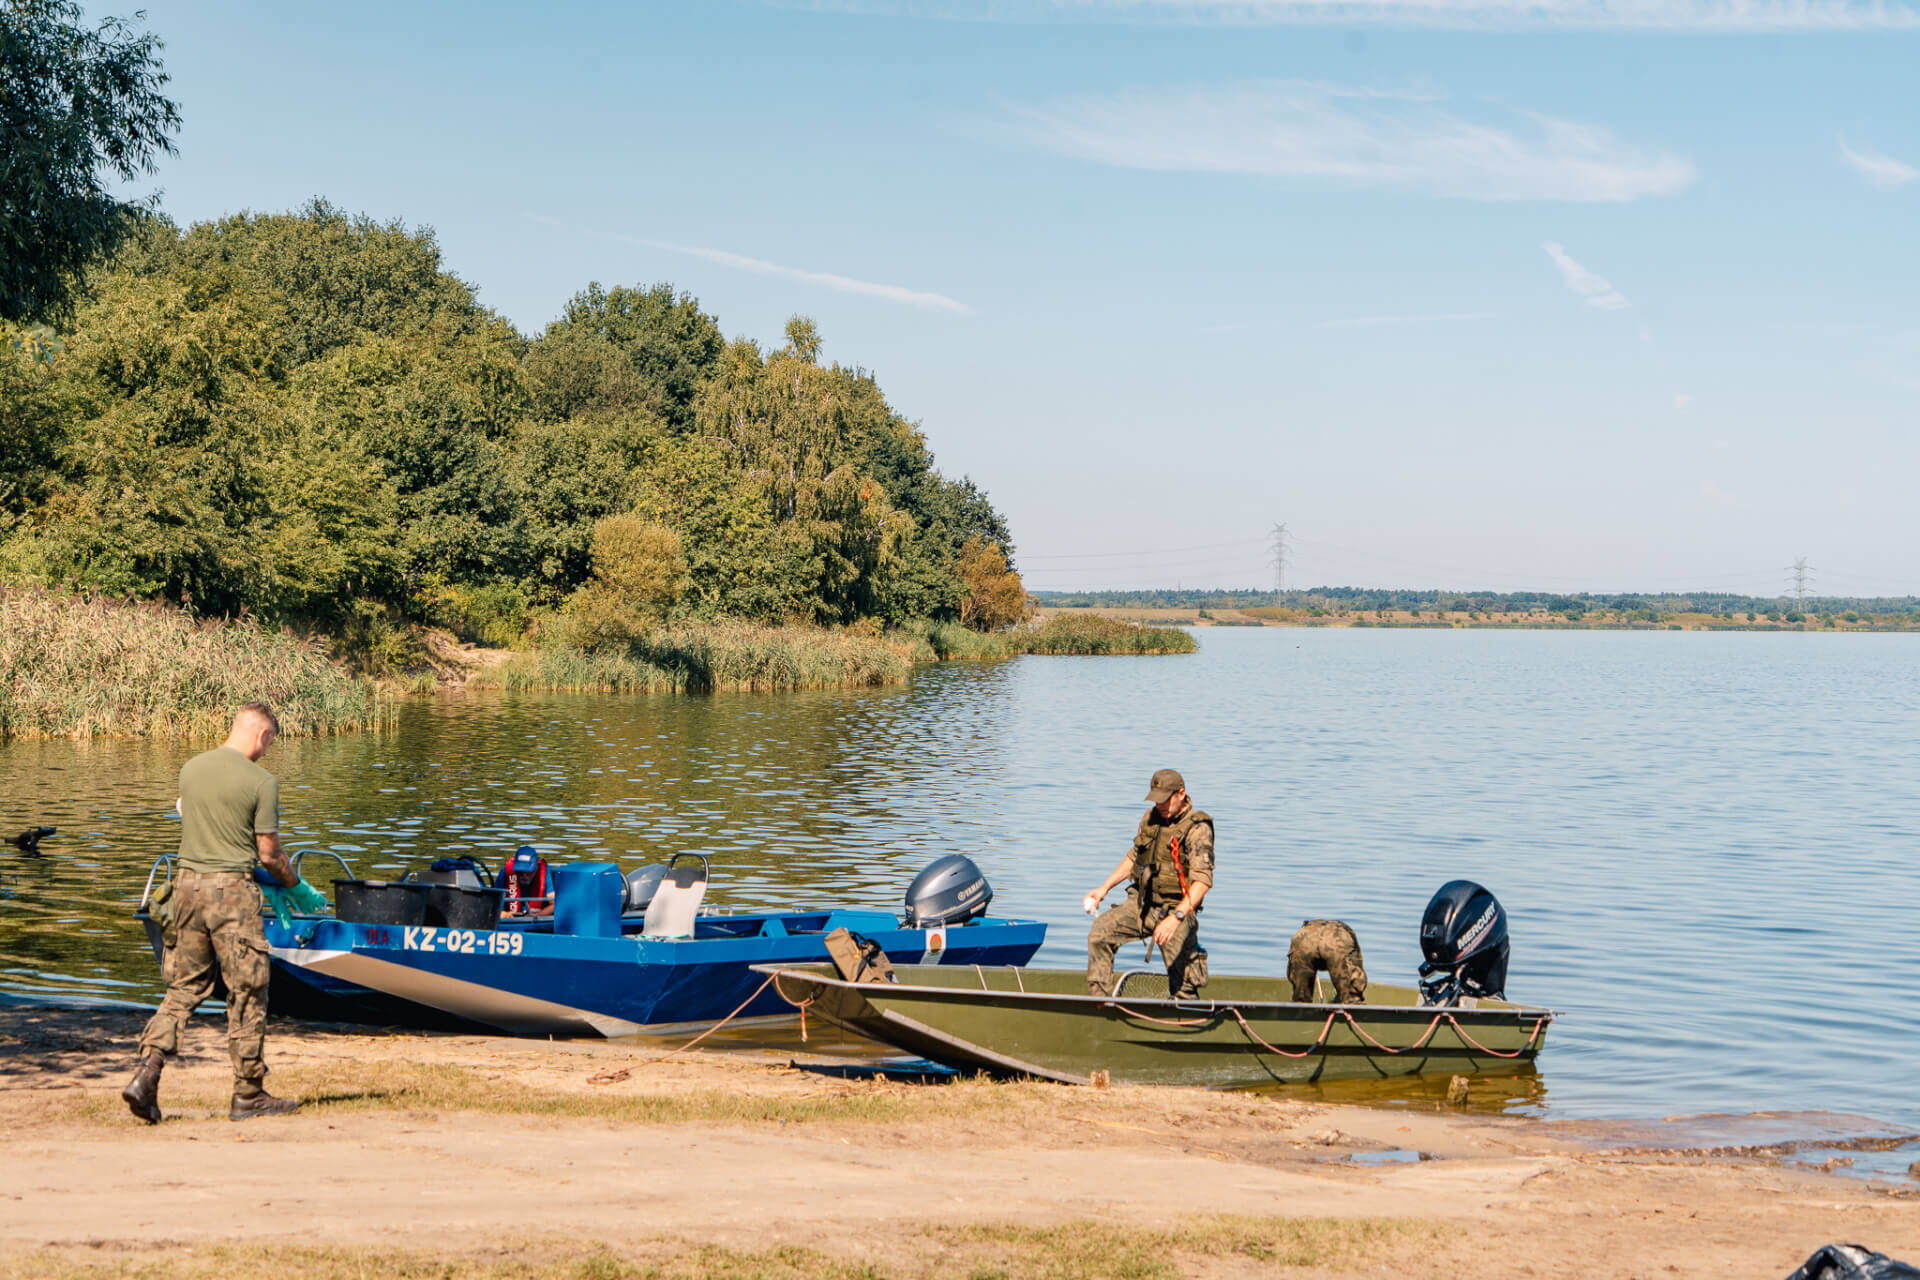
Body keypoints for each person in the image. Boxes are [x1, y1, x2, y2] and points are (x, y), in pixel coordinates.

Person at [122, 702, 316, 1123]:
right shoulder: (262, 782)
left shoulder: (191, 770)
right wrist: (292, 885)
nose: (267, 752)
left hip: (186, 890)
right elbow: (268, 854)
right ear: (263, 735)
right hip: (231, 895)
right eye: (270, 743)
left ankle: (146, 1074)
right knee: (248, 991)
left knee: (183, 989)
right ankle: (248, 1095)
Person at [1083, 768, 1213, 998]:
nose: (1159, 805)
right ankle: (1100, 1004)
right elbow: (1134, 856)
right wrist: (1104, 888)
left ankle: (1187, 1016)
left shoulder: (1197, 828)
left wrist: (1177, 918)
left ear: (1180, 794)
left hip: (1176, 910)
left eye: (1164, 799)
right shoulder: (1150, 818)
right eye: (1156, 799)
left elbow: (1202, 882)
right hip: (1142, 905)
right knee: (1100, 933)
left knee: (1183, 984)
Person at [1287, 919, 1368, 1003]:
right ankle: (1352, 1008)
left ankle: (1300, 1008)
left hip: (1304, 936)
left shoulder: (1305, 930)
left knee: (1300, 996)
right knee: (1352, 998)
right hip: (1336, 939)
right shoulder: (1345, 932)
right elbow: (1357, 969)